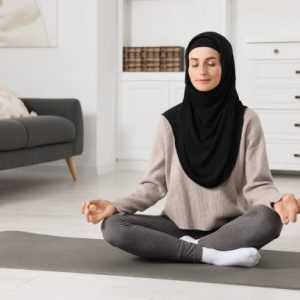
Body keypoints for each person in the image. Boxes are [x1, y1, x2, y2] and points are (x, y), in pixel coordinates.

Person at [81, 31, 300, 267]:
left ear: (225, 67)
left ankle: (190, 250)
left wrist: (278, 200)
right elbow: (153, 185)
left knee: (269, 220)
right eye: (194, 64)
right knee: (113, 226)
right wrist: (115, 205)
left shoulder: (247, 120)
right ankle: (212, 254)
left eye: (211, 63)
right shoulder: (170, 122)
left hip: (230, 228)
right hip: (176, 226)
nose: (201, 72)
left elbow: (258, 184)